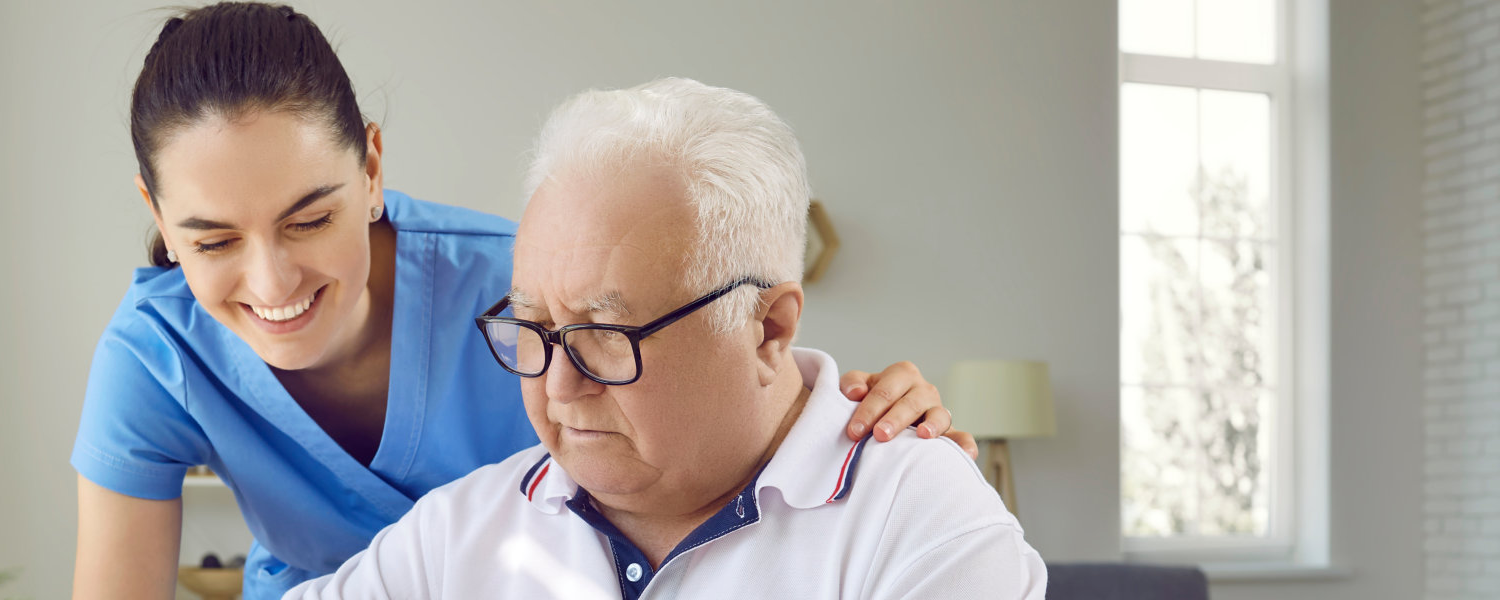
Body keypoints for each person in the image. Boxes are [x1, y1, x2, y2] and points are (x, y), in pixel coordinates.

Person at [69, 5, 973, 599]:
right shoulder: (155, 355)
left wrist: (864, 428)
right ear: (155, 217)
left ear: (373, 166)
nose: (271, 285)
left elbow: (726, 377)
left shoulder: (531, 291)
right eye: (213, 240)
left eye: (310, 219)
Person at [287, 78, 1047, 600]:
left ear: (768, 328)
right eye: (535, 327)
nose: (557, 387)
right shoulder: (462, 529)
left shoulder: (916, 515)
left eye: (607, 334)